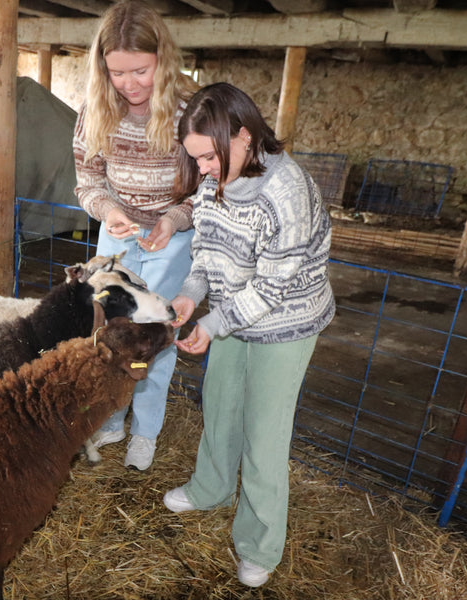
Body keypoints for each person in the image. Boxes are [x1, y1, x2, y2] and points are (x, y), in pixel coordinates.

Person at [163, 82, 335, 588]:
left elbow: (272, 287)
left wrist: (212, 323)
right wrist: (190, 295)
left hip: (284, 323)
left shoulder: (287, 190)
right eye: (195, 158)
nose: (202, 169)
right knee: (220, 403)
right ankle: (211, 488)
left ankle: (260, 542)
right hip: (232, 310)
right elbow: (207, 248)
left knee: (265, 433)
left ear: (243, 136)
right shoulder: (216, 178)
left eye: (208, 156)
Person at [72, 0, 198, 471]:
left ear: (162, 59)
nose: (129, 84)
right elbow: (88, 180)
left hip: (172, 238)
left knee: (155, 332)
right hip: (118, 236)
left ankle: (145, 432)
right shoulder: (96, 109)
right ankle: (111, 417)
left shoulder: (189, 109)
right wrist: (108, 211)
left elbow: (210, 187)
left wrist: (174, 219)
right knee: (108, 328)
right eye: (117, 73)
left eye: (141, 71)